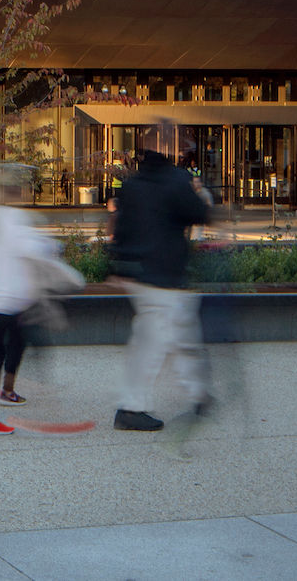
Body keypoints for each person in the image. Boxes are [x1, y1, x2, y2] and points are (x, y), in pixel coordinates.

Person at [0, 163, 79, 435]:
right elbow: (32, 248)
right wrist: (64, 265)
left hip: (3, 300)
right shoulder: (8, 219)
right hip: (1, 301)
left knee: (5, 349)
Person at [109, 141, 213, 433]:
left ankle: (197, 394)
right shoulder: (177, 180)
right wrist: (200, 193)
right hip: (167, 274)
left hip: (140, 276)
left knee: (172, 334)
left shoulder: (131, 185)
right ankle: (132, 408)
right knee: (159, 341)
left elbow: (120, 228)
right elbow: (199, 214)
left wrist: (116, 268)